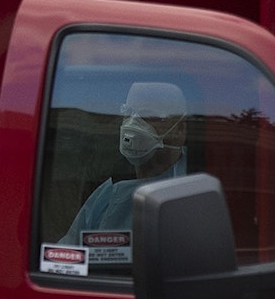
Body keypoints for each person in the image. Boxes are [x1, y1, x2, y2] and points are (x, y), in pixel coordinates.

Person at [60, 81, 188, 245]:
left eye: (148, 115)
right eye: (128, 112)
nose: (132, 124)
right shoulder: (109, 193)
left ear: (179, 130)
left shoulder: (196, 182)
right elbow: (69, 253)